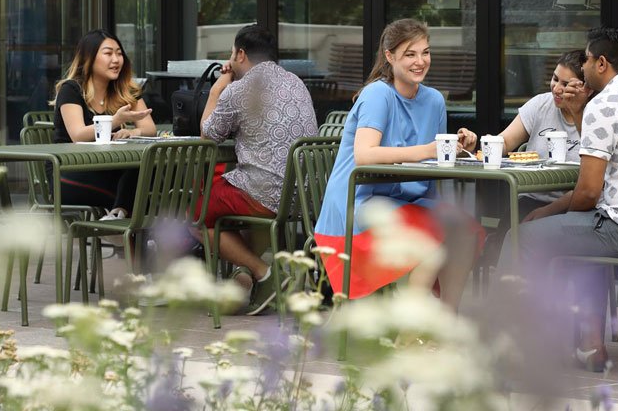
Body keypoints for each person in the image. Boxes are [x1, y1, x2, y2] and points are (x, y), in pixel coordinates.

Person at [498, 26, 618, 371]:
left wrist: (547, 212)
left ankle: (507, 345)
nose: (580, 68)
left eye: (584, 59)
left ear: (601, 63)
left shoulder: (605, 104)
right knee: (582, 238)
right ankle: (590, 345)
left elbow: (587, 193)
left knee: (520, 236)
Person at [314, 18, 483, 308]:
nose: (420, 62)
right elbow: (365, 155)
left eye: (425, 52)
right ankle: (413, 334)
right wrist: (428, 150)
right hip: (358, 208)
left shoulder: (433, 101)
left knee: (465, 229)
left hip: (410, 203)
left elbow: (434, 156)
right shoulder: (378, 93)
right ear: (390, 56)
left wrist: (457, 146)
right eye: (410, 54)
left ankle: (446, 317)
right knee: (428, 241)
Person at [198, 25, 319, 315]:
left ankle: (265, 274)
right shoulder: (295, 82)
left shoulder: (239, 90)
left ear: (240, 53)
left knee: (194, 211)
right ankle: (246, 275)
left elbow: (207, 134)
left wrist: (218, 87)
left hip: (267, 195)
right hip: (304, 197)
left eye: (232, 53)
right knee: (244, 192)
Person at [51, 29, 156, 217]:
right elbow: (78, 135)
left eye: (119, 53)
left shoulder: (125, 89)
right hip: (68, 172)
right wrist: (115, 120)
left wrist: (132, 133)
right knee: (140, 194)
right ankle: (121, 227)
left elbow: (149, 128)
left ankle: (118, 221)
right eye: (108, 53)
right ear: (88, 58)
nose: (116, 60)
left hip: (106, 169)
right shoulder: (71, 89)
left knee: (147, 170)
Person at [495, 49, 593, 216]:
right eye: (555, 79)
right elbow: (504, 142)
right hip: (531, 197)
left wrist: (547, 211)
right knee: (508, 233)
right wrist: (483, 143)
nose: (556, 89)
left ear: (585, 88)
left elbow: (590, 187)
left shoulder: (595, 117)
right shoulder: (541, 104)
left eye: (566, 84)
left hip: (573, 205)